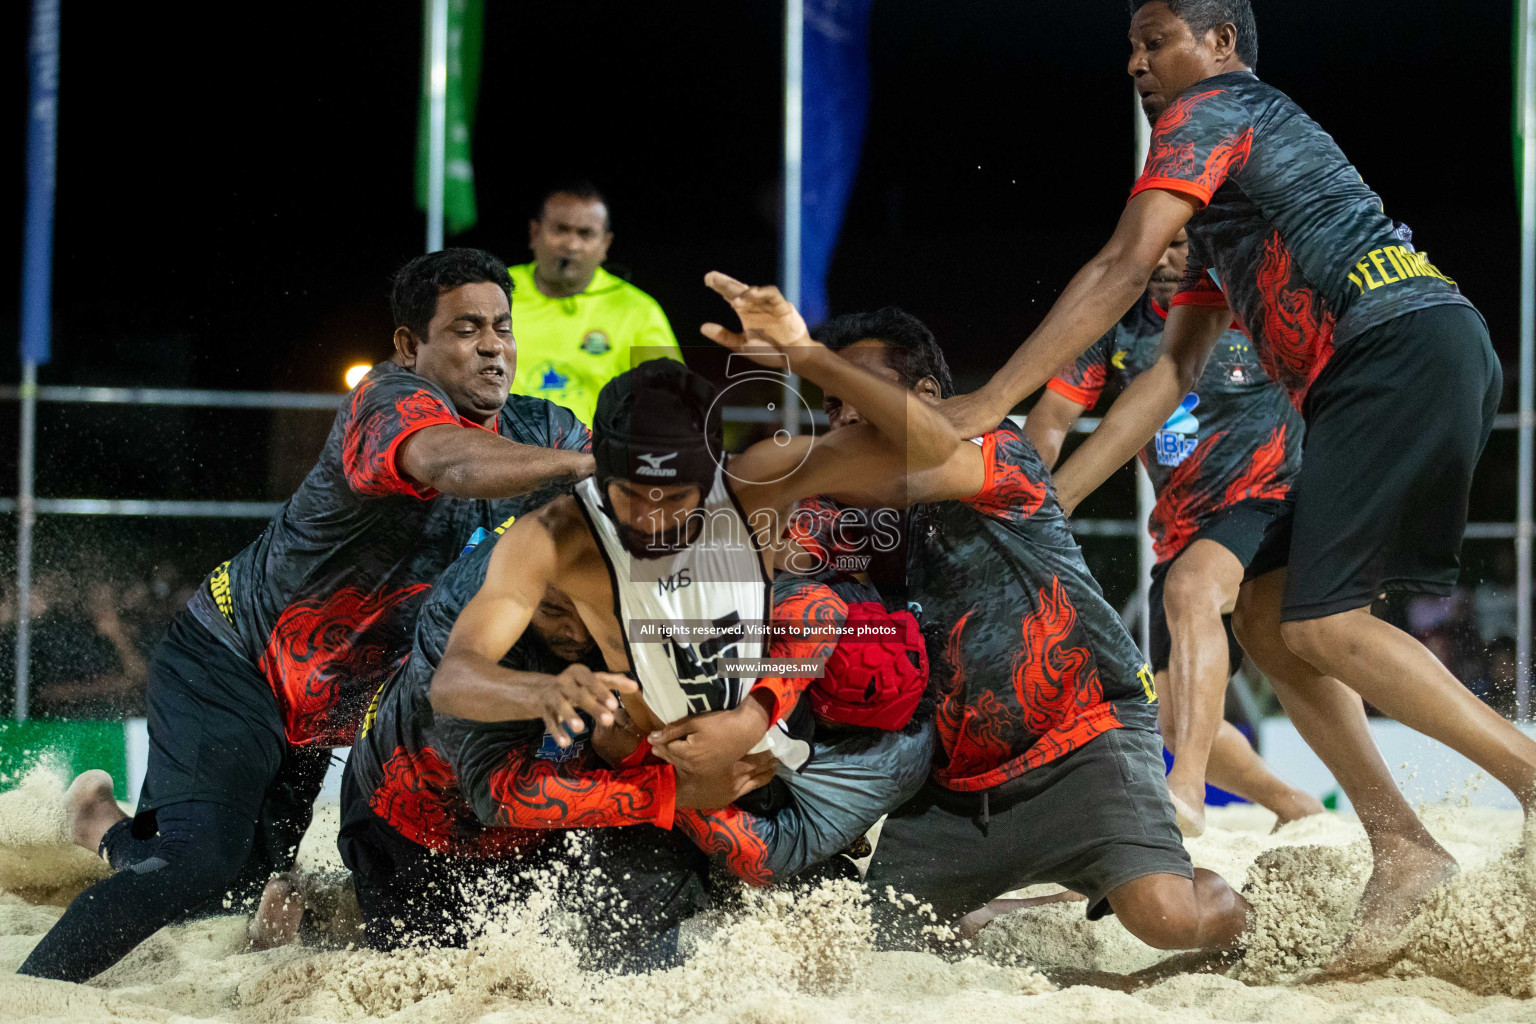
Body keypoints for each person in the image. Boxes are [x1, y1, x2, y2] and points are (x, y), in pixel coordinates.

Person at [943, 0, 1528, 964]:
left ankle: (1528, 776)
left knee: (1318, 622)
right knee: (1266, 617)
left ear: (1217, 46)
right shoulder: (1226, 212)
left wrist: (989, 399)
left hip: (1395, 344)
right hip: (1389, 359)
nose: (1136, 62)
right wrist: (1061, 495)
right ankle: (1402, 843)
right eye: (1129, 46)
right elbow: (1171, 369)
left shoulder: (1216, 106)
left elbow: (1125, 262)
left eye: (1154, 40)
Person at [19, 248, 615, 984]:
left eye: (502, 327)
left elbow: (636, 496)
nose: (494, 346)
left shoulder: (547, 430)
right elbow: (449, 463)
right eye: (465, 329)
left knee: (229, 894)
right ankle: (32, 992)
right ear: (410, 346)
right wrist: (588, 468)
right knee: (196, 866)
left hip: (334, 708)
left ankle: (99, 826)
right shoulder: (388, 403)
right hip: (232, 664)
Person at [813, 307, 1250, 953]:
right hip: (953, 787)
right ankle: (1009, 910)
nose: (845, 414)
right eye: (830, 402)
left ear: (930, 396)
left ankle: (1255, 920)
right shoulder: (843, 516)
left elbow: (910, 473)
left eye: (861, 391)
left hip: (1086, 746)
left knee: (1167, 918)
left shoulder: (997, 451)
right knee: (878, 947)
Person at [1026, 228, 1321, 836]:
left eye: (1181, 243)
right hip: (1179, 529)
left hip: (1271, 504)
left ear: (1211, 244)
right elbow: (1052, 419)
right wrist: (1017, 498)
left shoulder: (1257, 307)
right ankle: (1295, 804)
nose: (1163, 255)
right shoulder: (1119, 327)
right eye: (1155, 241)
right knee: (1179, 719)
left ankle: (1184, 792)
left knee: (1192, 594)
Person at [508, 181, 682, 424]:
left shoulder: (637, 310)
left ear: (605, 245)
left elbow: (670, 400)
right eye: (560, 230)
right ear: (534, 233)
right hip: (502, 449)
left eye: (585, 234)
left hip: (595, 456)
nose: (571, 245)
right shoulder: (496, 292)